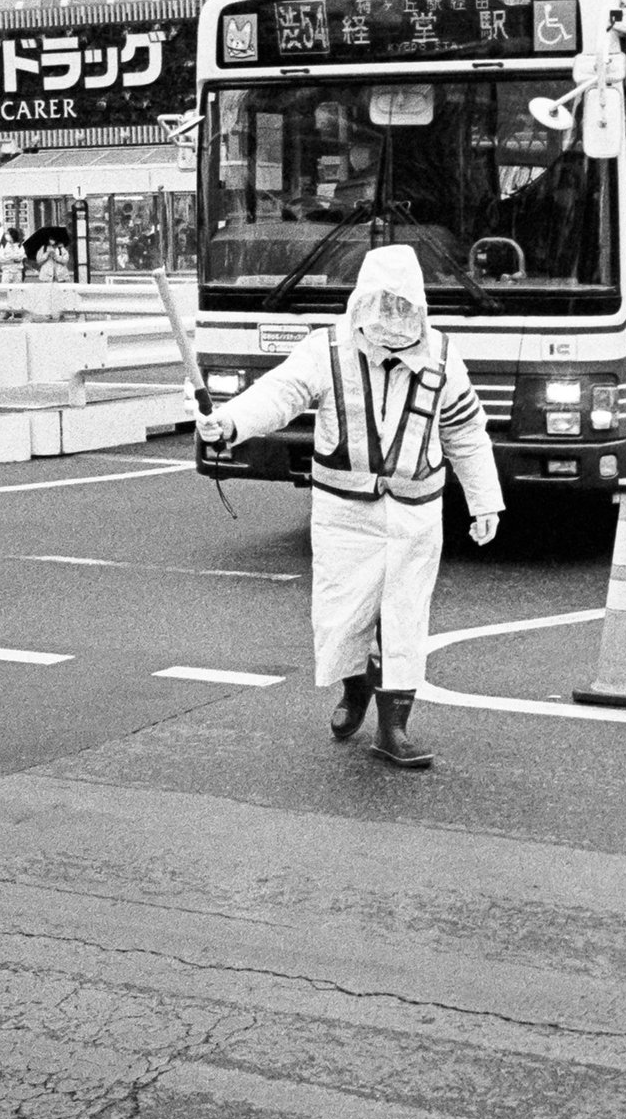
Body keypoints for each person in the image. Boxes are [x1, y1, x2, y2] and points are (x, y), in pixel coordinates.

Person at [195, 245, 503, 769]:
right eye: (381, 305)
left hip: (414, 513)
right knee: (344, 615)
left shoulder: (444, 358)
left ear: (420, 306)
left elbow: (467, 434)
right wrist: (228, 421)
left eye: (401, 307)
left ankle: (394, 726)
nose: (391, 318)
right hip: (344, 513)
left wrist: (484, 503)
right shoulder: (326, 349)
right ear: (360, 302)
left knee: (404, 616)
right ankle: (355, 690)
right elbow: (280, 393)